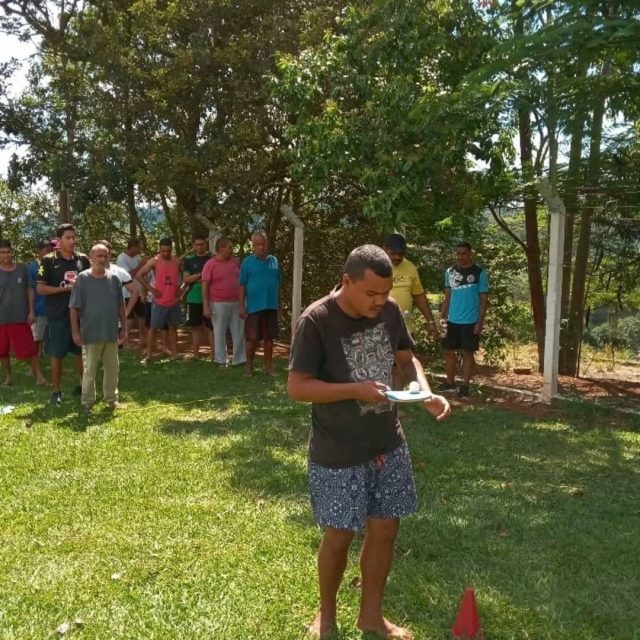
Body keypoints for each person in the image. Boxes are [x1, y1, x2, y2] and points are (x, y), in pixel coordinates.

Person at [287, 244, 451, 640]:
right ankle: (326, 616)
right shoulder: (316, 320)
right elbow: (297, 387)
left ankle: (372, 617)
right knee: (339, 535)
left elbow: (407, 360)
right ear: (347, 281)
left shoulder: (390, 311)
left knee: (386, 529)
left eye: (386, 292)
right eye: (372, 293)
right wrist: (354, 390)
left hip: (387, 444)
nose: (381, 301)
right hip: (337, 450)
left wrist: (423, 390)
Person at [37, 223, 90, 405]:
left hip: (81, 315)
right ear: (59, 240)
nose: (72, 241)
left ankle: (83, 387)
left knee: (81, 353)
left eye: (74, 237)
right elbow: (41, 288)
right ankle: (56, 391)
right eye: (68, 238)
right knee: (57, 354)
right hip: (58, 315)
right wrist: (65, 289)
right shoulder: (48, 261)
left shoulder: (82, 259)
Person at [69, 243, 127, 412]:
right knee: (89, 370)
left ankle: (111, 399)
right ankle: (88, 401)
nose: (102, 259)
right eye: (99, 256)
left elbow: (120, 305)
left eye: (105, 256)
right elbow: (74, 307)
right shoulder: (82, 279)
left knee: (112, 368)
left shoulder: (114, 279)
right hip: (90, 333)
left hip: (111, 332)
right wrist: (75, 332)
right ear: (91, 258)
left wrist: (124, 329)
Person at [440, 241, 489, 396]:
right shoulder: (450, 272)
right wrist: (442, 318)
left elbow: (483, 300)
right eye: (458, 254)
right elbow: (447, 297)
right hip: (452, 321)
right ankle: (450, 382)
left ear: (470, 253)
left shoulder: (480, 273)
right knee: (449, 352)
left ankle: (465, 386)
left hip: (470, 322)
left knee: (468, 353)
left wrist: (480, 322)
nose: (461, 257)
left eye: (464, 253)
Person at [0, 240, 46, 386]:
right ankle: (8, 377)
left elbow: (30, 290)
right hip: (2, 317)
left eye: (8, 252)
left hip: (20, 316)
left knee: (30, 348)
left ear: (12, 252)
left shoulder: (22, 269)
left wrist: (31, 311)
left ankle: (39, 377)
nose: (6, 255)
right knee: (2, 350)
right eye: (2, 253)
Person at [238, 231, 282, 376]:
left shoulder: (274, 261)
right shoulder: (247, 262)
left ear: (267, 244)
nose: (261, 247)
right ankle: (249, 366)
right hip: (254, 306)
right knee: (251, 338)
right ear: (253, 246)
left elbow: (278, 284)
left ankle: (268, 367)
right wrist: (241, 305)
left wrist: (280, 305)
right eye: (257, 244)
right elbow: (242, 285)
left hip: (271, 305)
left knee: (269, 338)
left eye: (263, 244)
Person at [383, 234, 438, 339]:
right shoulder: (375, 267)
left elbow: (419, 295)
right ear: (384, 249)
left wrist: (431, 321)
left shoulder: (410, 267)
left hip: (405, 330)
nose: (397, 257)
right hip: (381, 331)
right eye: (393, 253)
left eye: (401, 254)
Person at [136, 237, 181, 363]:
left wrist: (180, 287)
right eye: (163, 251)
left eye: (168, 251)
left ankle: (174, 354)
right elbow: (139, 275)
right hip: (159, 302)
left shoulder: (177, 261)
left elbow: (182, 276)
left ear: (171, 249)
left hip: (173, 301)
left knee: (173, 328)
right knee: (153, 328)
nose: (165, 253)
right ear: (159, 249)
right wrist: (151, 289)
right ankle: (149, 356)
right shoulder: (154, 261)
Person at [201, 237, 245, 367]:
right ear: (222, 248)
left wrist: (243, 302)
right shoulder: (210, 264)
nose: (231, 250)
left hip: (236, 302)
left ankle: (240, 359)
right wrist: (206, 307)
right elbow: (205, 286)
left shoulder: (235, 262)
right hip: (218, 303)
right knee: (219, 332)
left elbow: (242, 282)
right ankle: (220, 359)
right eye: (229, 247)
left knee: (239, 331)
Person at [182, 234, 213, 358]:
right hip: (193, 298)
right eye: (197, 244)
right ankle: (196, 355)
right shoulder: (189, 261)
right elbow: (186, 279)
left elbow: (214, 278)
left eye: (202, 244)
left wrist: (199, 278)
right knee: (195, 327)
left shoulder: (211, 259)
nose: (200, 247)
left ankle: (214, 354)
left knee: (211, 327)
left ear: (206, 244)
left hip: (211, 298)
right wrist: (201, 275)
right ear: (193, 245)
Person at [116, 237, 147, 348]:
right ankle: (124, 342)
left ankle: (142, 339)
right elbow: (128, 275)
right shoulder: (121, 258)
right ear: (133, 247)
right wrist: (141, 265)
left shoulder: (138, 257)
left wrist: (144, 290)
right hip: (127, 293)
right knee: (128, 318)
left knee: (142, 316)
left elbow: (142, 273)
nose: (140, 249)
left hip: (139, 291)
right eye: (138, 247)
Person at [27, 240, 53, 356]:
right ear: (39, 251)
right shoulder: (31, 268)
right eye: (47, 250)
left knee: (49, 337)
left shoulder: (54, 266)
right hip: (38, 309)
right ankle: (35, 361)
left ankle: (45, 356)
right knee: (36, 338)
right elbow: (29, 290)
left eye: (51, 250)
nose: (50, 253)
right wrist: (31, 310)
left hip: (53, 308)